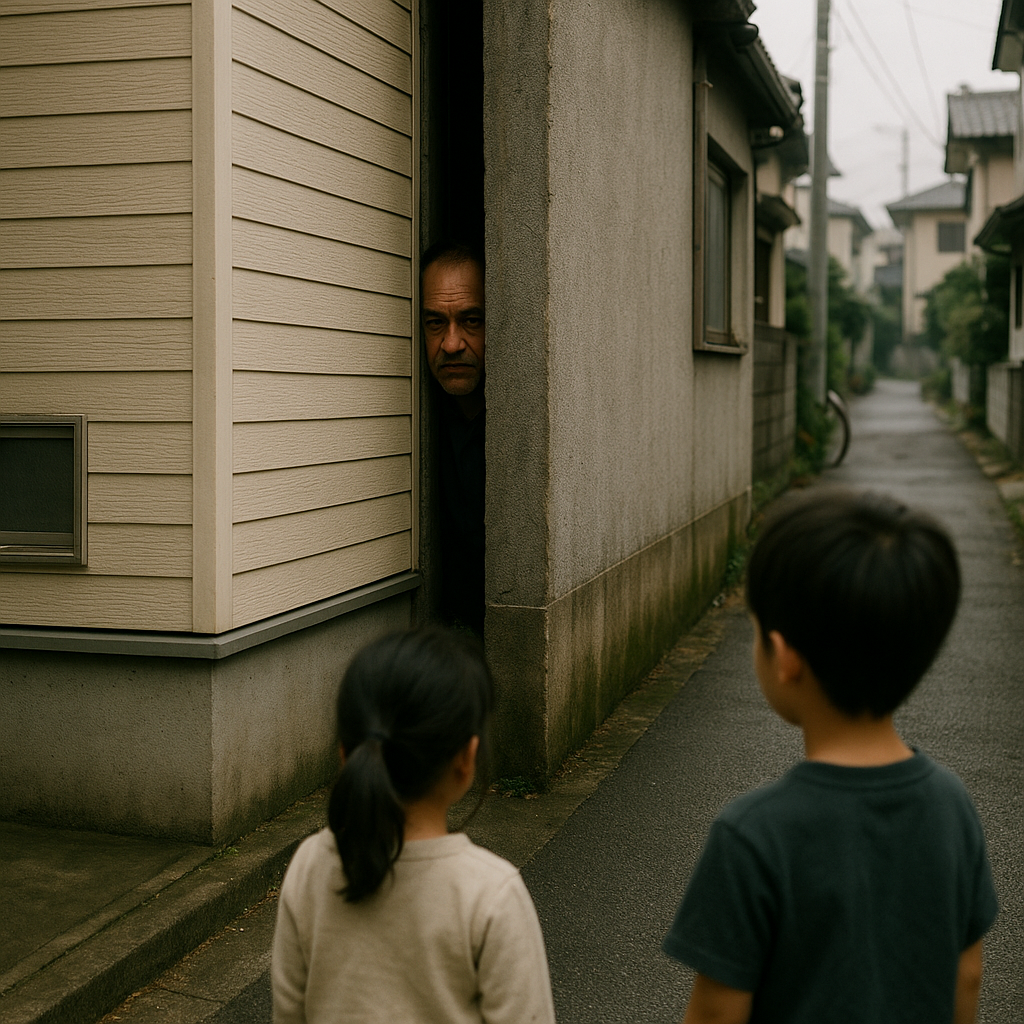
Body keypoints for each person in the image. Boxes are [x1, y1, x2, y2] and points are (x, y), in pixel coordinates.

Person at [663, 488, 998, 1024]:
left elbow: (718, 1013)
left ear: (786, 657)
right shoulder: (951, 805)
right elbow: (967, 976)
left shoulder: (752, 834)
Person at [272, 626, 555, 1024]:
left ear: (344, 754)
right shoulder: (490, 895)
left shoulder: (309, 866)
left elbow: (288, 1015)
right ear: (466, 757)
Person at [421, 241, 486, 634]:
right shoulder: (419, 423)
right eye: (434, 323)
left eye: (471, 320)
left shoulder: (516, 427)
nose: (451, 344)